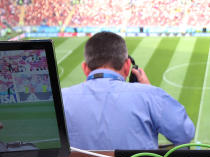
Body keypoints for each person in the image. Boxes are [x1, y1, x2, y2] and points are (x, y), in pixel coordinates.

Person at [61, 31, 194, 150]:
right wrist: (149, 90)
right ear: (127, 66)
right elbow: (185, 133)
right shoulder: (149, 95)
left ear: (85, 68)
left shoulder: (61, 99)